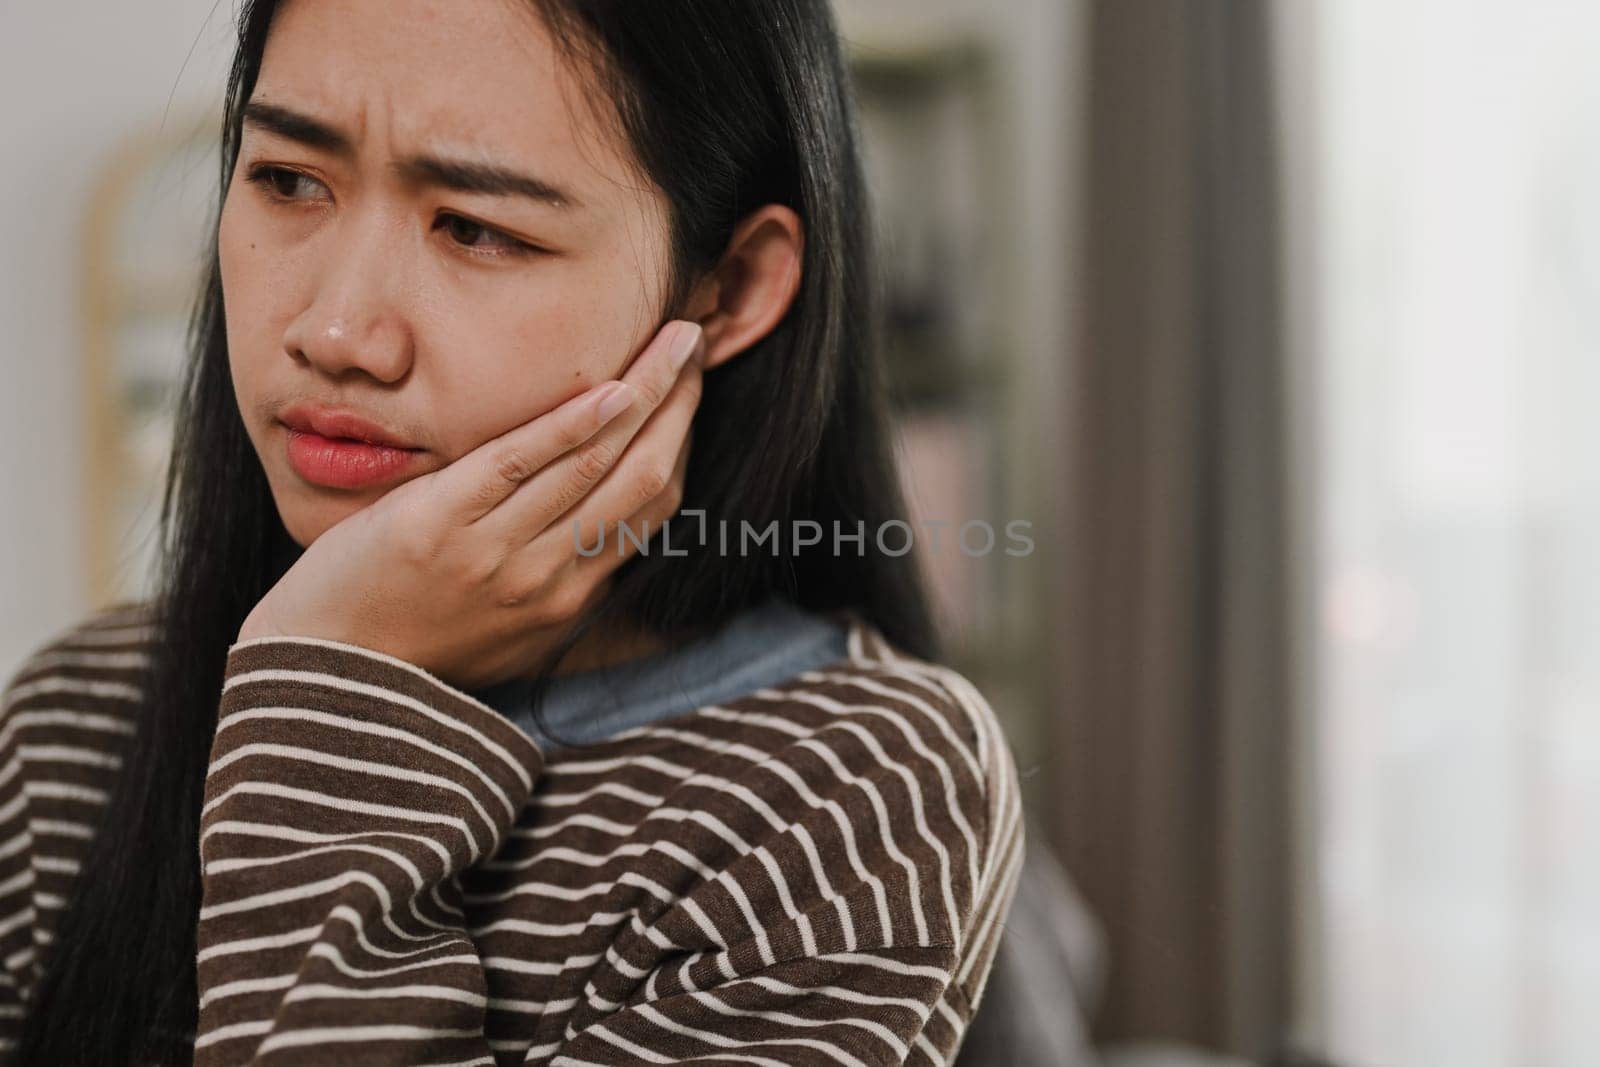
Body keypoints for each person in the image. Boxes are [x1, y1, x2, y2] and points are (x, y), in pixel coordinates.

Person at [0, 0, 1024, 1063]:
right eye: (289, 180)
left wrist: (340, 690)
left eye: (478, 228)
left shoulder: (854, 791)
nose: (337, 331)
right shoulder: (81, 719)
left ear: (732, 288)